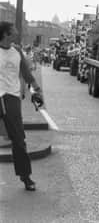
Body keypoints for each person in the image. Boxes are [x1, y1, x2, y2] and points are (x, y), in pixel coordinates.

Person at [0, 21, 44, 191]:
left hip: (12, 98)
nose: (17, 32)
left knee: (18, 139)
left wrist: (37, 90)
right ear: (5, 34)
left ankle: (26, 177)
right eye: (13, 30)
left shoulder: (17, 51)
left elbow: (26, 73)